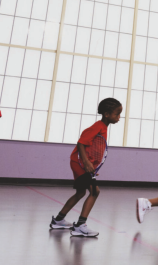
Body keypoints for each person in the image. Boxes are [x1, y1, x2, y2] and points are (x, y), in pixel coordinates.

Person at [50, 98, 122, 238]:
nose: (119, 117)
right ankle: (80, 226)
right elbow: (81, 143)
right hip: (79, 163)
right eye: (117, 114)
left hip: (82, 164)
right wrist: (86, 162)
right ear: (107, 114)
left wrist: (92, 166)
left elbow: (93, 149)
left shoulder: (103, 127)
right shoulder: (98, 126)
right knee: (95, 191)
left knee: (81, 193)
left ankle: (58, 220)